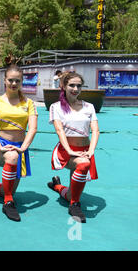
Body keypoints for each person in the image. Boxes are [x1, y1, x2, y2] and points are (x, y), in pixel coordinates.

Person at [0, 64, 38, 222]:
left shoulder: (29, 103)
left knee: (6, 190)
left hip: (20, 149)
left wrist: (23, 148)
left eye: (17, 81)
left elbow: (32, 128)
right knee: (11, 159)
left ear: (21, 82)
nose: (13, 84)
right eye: (10, 80)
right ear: (4, 80)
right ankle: (8, 204)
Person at [47, 72, 99, 223]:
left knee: (71, 193)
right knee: (83, 165)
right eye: (72, 85)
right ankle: (74, 205)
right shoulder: (56, 107)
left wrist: (91, 150)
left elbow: (95, 130)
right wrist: (70, 151)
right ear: (63, 86)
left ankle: (58, 187)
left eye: (78, 86)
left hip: (85, 150)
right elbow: (59, 130)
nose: (75, 89)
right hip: (66, 151)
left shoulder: (89, 107)